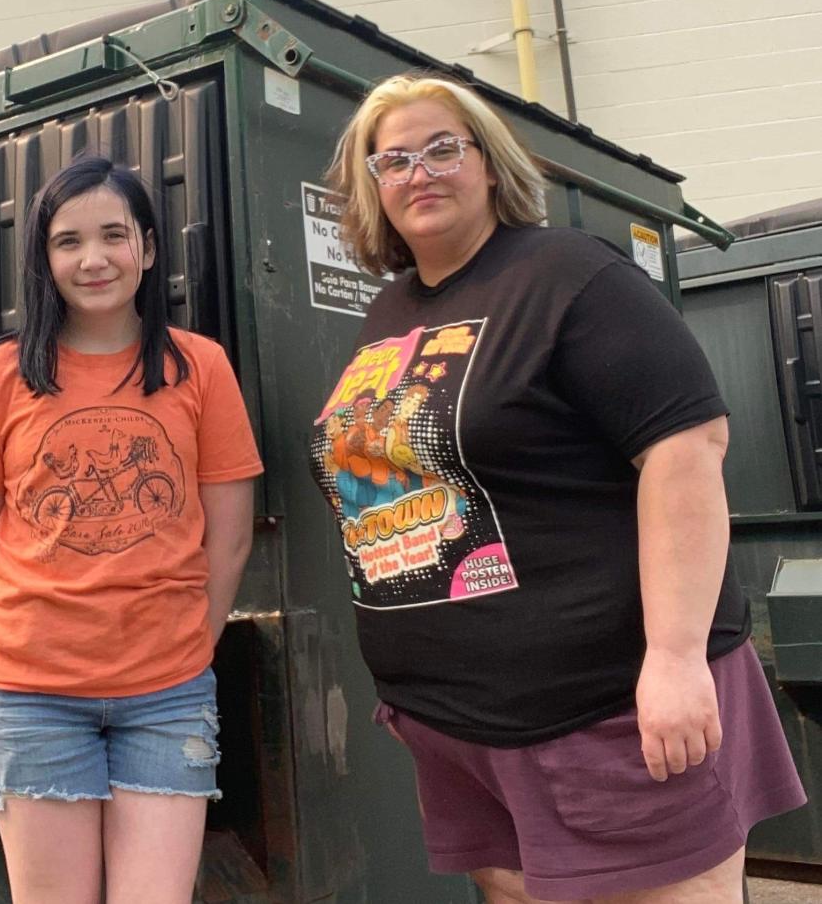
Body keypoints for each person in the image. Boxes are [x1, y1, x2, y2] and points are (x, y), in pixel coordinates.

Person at [311, 73, 805, 903]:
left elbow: (686, 451)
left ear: (492, 165)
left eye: (442, 148)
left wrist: (676, 660)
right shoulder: (393, 310)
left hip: (606, 706)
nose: (419, 172)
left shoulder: (571, 276)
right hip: (458, 722)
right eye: (392, 160)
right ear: (371, 188)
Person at [0, 155, 263, 904]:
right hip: (33, 695)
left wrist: (191, 642)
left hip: (167, 695)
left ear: (148, 249)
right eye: (68, 241)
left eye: (114, 235)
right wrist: (18, 640)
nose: (93, 259)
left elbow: (232, 535)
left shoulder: (201, 368)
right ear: (44, 259)